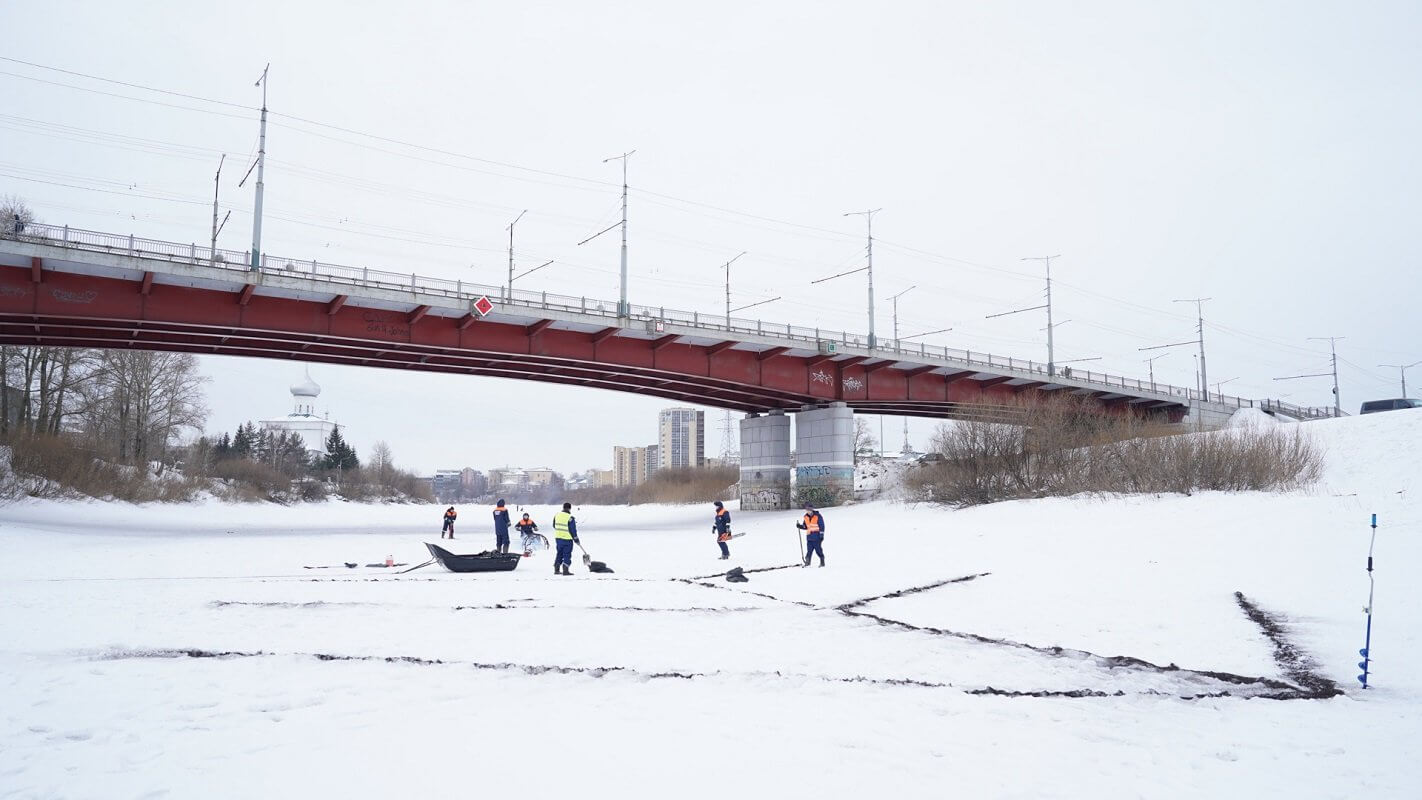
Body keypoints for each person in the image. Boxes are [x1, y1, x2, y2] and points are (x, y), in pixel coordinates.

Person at [551, 502, 580, 576]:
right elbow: (573, 530)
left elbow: (554, 525)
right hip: (567, 539)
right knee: (567, 554)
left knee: (559, 553)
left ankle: (556, 570)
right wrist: (576, 539)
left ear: (563, 507)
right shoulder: (570, 518)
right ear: (570, 508)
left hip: (558, 538)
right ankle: (565, 570)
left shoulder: (557, 515)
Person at [796, 502, 826, 567]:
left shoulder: (818, 516)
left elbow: (822, 526)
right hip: (809, 537)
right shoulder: (805, 517)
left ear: (812, 509)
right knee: (809, 551)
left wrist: (821, 535)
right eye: (807, 510)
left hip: (817, 537)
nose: (808, 511)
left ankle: (822, 561)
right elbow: (805, 526)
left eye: (809, 509)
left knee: (818, 550)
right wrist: (800, 526)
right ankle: (807, 562)